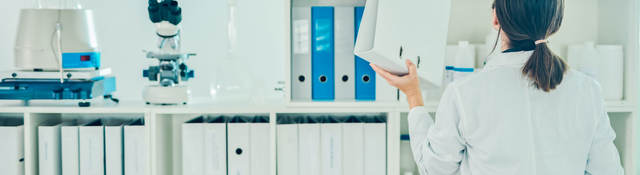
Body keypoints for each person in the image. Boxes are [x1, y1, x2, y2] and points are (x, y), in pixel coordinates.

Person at [371, 0, 624, 174]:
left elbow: (434, 168)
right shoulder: (588, 91)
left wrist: (413, 96)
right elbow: (608, 171)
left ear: (495, 18)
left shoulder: (465, 94)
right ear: (555, 23)